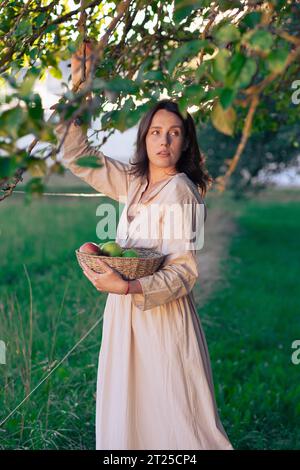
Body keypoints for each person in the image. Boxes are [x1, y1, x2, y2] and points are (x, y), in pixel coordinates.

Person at [54, 42, 234, 450]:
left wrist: (131, 287)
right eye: (156, 132)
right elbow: (76, 155)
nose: (164, 141)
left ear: (185, 143)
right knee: (129, 416)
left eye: (174, 133)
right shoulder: (135, 182)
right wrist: (79, 84)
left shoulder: (181, 191)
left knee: (174, 421)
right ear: (145, 138)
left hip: (161, 319)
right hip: (124, 316)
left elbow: (184, 272)